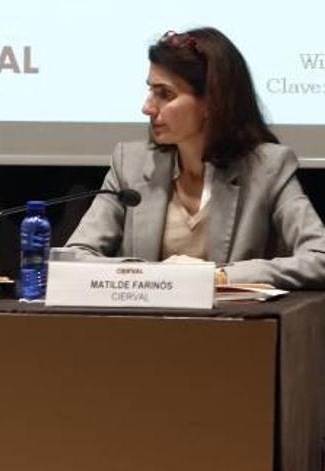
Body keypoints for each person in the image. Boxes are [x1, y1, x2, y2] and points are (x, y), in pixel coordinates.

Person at [65, 27, 325, 289]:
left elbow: (320, 258)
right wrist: (149, 276)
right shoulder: (129, 164)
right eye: (150, 91)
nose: (147, 107)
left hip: (234, 326)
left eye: (165, 94)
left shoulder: (268, 168)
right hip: (143, 325)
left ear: (212, 102)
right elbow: (74, 257)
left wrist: (218, 276)